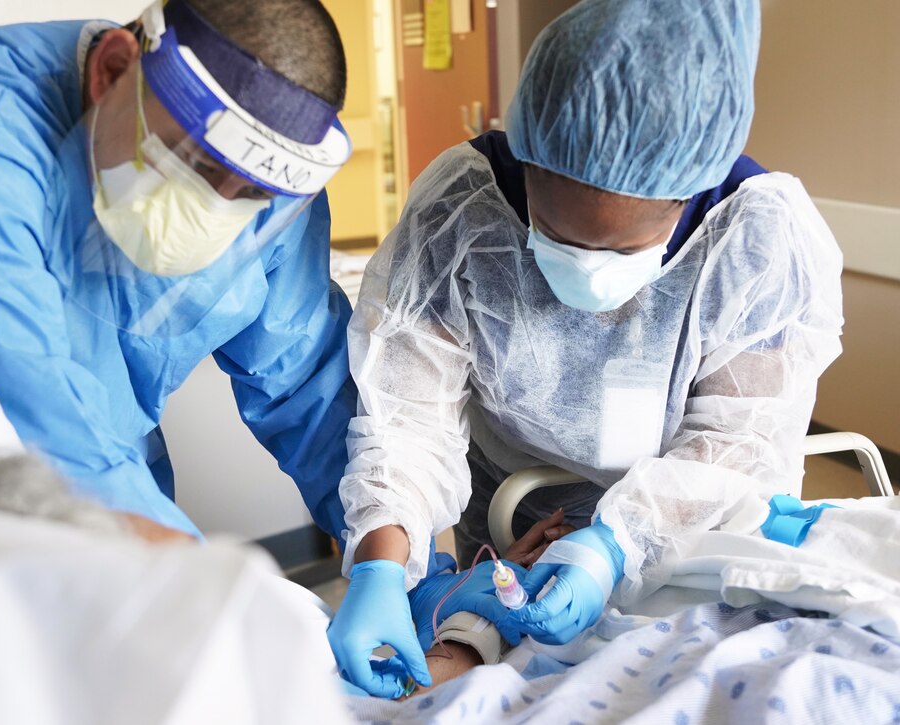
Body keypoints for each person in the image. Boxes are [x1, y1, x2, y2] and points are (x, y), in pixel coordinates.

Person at [329, 0, 844, 697]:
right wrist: (381, 568)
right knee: (495, 639)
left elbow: (737, 446)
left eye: (622, 248)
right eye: (560, 236)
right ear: (528, 161)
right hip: (512, 494)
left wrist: (619, 543)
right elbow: (405, 421)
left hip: (687, 515)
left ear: (685, 197)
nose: (590, 269)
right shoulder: (465, 210)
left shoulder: (752, 237)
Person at [0, 0, 356, 541]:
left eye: (251, 194)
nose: (218, 210)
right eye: (198, 167)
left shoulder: (268, 190)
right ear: (113, 71)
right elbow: (44, 432)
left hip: (118, 510)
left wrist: (399, 565)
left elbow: (309, 381)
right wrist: (209, 593)